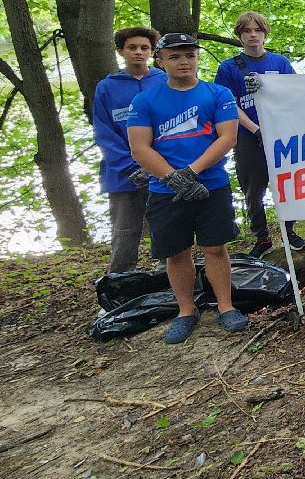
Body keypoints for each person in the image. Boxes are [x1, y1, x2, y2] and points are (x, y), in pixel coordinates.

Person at [126, 33, 248, 344]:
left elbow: (227, 138)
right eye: (176, 56)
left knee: (215, 248)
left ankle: (225, 306)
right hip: (166, 192)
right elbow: (140, 147)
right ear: (161, 60)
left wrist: (192, 172)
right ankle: (186, 311)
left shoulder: (218, 93)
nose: (184, 61)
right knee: (176, 252)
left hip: (212, 186)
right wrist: (172, 178)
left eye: (190, 55)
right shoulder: (144, 101)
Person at [213, 11, 305, 256]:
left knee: (287, 183)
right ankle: (262, 237)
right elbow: (229, 104)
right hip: (246, 135)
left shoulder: (280, 63)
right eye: (247, 31)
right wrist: (255, 130)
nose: (253, 35)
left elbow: (294, 94)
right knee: (254, 187)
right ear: (240, 36)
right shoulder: (229, 67)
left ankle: (290, 230)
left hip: (280, 132)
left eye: (257, 31)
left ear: (265, 34)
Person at [92, 26, 168, 272]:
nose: (138, 52)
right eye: (132, 47)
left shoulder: (164, 80)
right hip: (124, 175)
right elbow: (104, 133)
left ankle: (168, 279)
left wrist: (162, 165)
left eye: (144, 48)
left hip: (163, 170)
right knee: (125, 232)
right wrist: (130, 166)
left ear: (152, 51)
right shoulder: (107, 87)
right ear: (120, 51)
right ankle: (120, 284)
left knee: (167, 228)